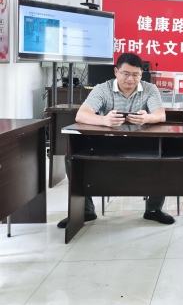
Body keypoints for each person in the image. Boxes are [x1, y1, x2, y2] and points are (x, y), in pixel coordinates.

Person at [57, 52, 175, 228]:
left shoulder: (150, 89)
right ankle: (85, 210)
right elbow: (81, 115)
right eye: (125, 73)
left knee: (164, 156)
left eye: (135, 75)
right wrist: (104, 120)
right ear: (116, 71)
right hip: (107, 144)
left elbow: (160, 115)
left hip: (141, 144)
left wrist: (147, 118)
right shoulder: (102, 89)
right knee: (72, 158)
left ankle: (153, 209)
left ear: (141, 74)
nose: (130, 79)